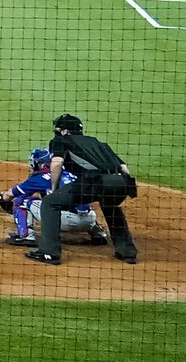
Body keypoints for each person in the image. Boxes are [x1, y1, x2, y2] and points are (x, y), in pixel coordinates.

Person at [33, 112, 139, 265]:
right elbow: (123, 167)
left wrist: (53, 188)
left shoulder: (61, 140)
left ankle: (49, 252)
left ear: (63, 131)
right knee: (110, 205)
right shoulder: (98, 143)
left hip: (96, 181)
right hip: (123, 182)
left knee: (50, 202)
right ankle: (127, 252)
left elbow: (56, 163)